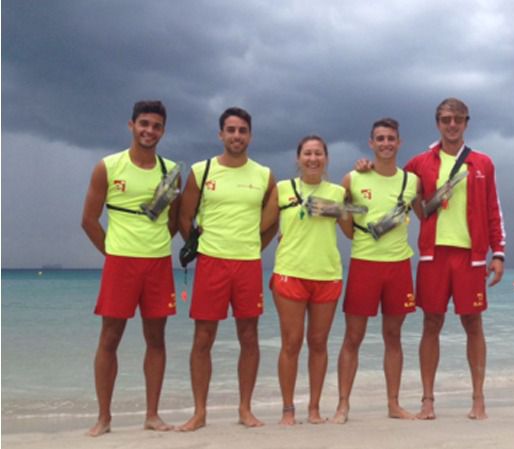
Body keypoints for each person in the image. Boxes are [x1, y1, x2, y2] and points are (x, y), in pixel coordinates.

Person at [81, 100, 180, 436]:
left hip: (157, 263)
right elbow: (89, 220)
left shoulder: (171, 171)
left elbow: (174, 221)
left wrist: (153, 245)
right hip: (120, 263)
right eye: (144, 124)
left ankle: (152, 415)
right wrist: (114, 253)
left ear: (163, 131)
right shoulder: (108, 167)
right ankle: (104, 418)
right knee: (109, 339)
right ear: (131, 125)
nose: (149, 131)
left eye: (156, 126)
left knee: (156, 340)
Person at [405, 98, 506, 420]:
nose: (452, 125)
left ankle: (478, 399)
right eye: (446, 119)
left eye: (458, 120)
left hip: (470, 256)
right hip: (433, 255)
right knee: (431, 323)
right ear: (437, 122)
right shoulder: (420, 163)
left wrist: (498, 253)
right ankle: (427, 401)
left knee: (472, 323)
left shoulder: (482, 163)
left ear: (466, 123)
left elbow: (493, 209)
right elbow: (394, 186)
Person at [178, 107, 276, 431]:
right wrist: (199, 247)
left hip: (248, 265)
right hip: (211, 263)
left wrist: (252, 248)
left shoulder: (264, 175)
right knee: (203, 338)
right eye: (230, 130)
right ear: (220, 134)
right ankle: (199, 412)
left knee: (249, 337)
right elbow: (184, 216)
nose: (236, 136)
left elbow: (271, 222)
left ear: (250, 135)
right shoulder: (201, 170)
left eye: (242, 130)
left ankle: (245, 409)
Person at [333, 118, 419, 424]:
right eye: (380, 139)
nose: (386, 143)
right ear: (371, 143)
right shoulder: (353, 178)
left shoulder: (411, 182)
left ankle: (394, 404)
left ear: (399, 142)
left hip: (398, 266)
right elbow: (343, 220)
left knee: (393, 336)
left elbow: (427, 212)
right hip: (364, 264)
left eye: (391, 138)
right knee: (353, 337)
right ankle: (343, 406)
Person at [262, 135, 349, 425]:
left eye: (318, 154)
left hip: (327, 273)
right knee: (291, 342)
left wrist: (338, 207)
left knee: (319, 342)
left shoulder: (337, 191)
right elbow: (263, 224)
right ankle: (288, 409)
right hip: (290, 272)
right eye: (307, 154)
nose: (313, 159)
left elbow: (351, 230)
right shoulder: (283, 188)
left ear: (326, 159)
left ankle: (314, 408)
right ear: (298, 158)